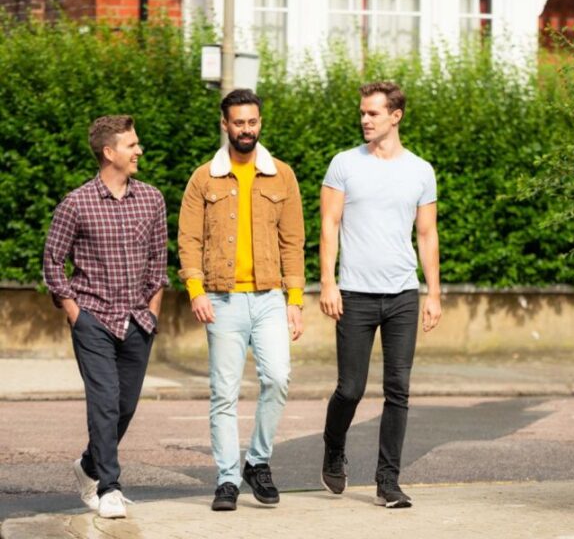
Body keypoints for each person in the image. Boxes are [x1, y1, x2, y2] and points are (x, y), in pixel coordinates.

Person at [178, 88, 305, 512]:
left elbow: (293, 241)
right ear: (225, 125)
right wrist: (196, 290)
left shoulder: (281, 175)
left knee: (277, 378)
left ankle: (258, 460)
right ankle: (228, 479)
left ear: (260, 123)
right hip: (222, 298)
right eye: (238, 123)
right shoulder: (204, 177)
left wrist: (295, 298)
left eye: (252, 122)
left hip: (270, 298)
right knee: (224, 393)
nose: (246, 129)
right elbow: (189, 239)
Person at [319, 81, 441, 508]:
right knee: (350, 388)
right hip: (354, 293)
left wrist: (434, 293)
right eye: (362, 113)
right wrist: (329, 282)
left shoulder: (421, 171)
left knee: (398, 389)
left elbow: (427, 234)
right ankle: (334, 447)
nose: (365, 120)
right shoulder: (343, 165)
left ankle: (387, 481)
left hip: (403, 294)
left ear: (395, 116)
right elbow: (329, 225)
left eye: (373, 113)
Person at [43, 115, 168, 519]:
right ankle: (109, 487)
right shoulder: (76, 203)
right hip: (93, 318)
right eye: (132, 145)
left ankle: (88, 466)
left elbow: (158, 261)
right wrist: (74, 311)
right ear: (108, 152)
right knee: (104, 403)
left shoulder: (152, 198)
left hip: (137, 319)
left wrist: (152, 311)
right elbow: (52, 262)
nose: (139, 150)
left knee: (126, 405)